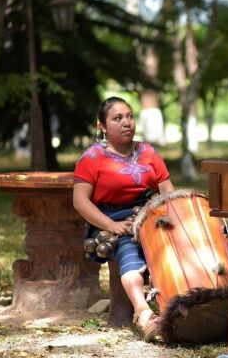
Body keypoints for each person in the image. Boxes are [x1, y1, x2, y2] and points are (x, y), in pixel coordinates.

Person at [73, 96, 175, 341]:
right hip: (111, 219)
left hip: (150, 214)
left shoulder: (148, 151)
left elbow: (168, 191)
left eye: (129, 116)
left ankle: (187, 307)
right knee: (130, 255)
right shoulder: (92, 158)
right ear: (103, 127)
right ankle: (143, 315)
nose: (126, 122)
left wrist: (172, 218)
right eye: (117, 118)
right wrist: (112, 225)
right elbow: (80, 201)